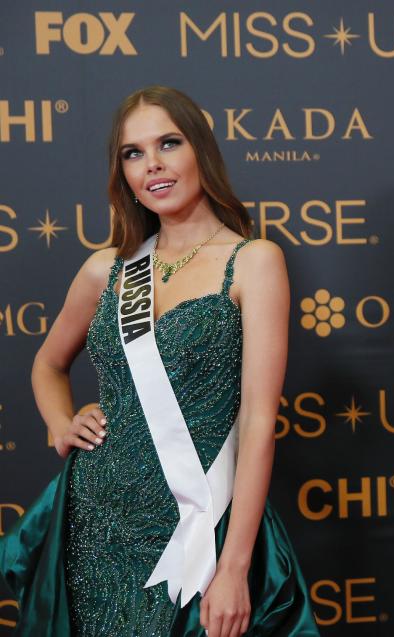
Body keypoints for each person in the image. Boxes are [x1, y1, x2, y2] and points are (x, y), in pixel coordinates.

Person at [0, 86, 318, 636]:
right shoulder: (107, 270)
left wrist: (236, 565)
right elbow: (47, 365)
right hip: (94, 522)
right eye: (133, 153)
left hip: (200, 522)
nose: (153, 166)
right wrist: (61, 423)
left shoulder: (254, 262)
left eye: (168, 144)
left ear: (200, 151)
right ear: (122, 172)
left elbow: (259, 421)